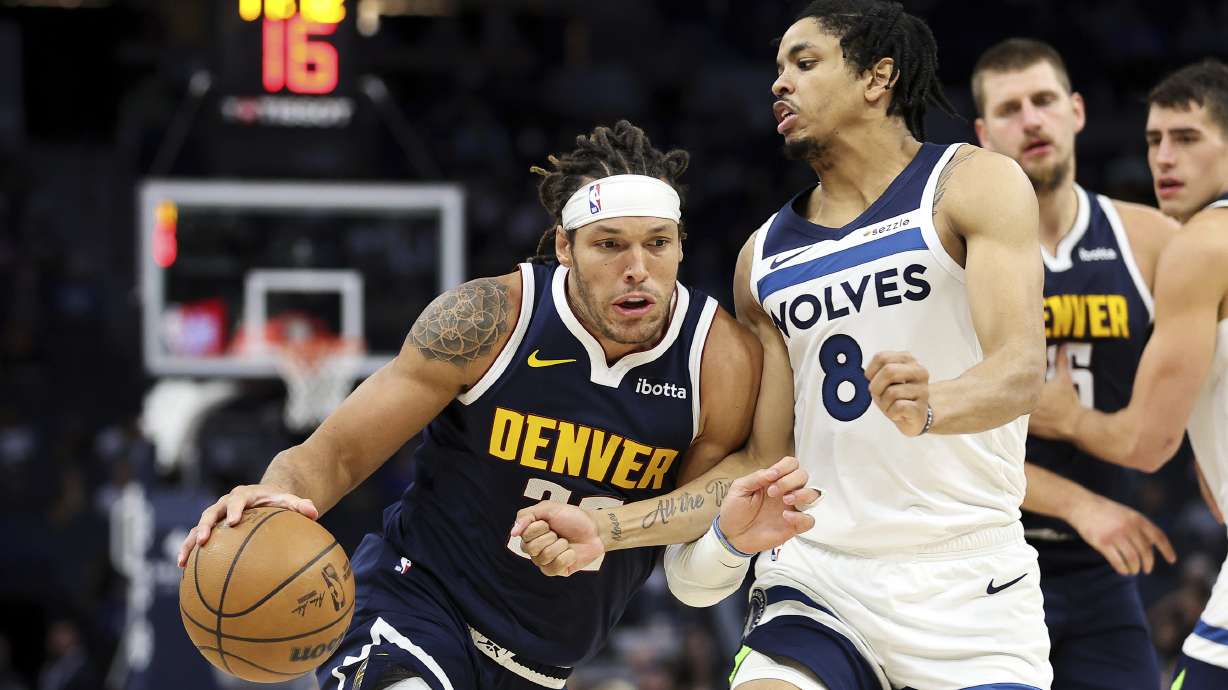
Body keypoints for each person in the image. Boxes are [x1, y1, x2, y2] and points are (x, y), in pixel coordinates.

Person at [175, 120, 818, 690]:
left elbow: (714, 496)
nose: (637, 268)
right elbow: (336, 452)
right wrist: (275, 491)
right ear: (564, 248)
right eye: (609, 244)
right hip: (417, 603)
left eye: (657, 243)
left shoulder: (718, 358)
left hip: (544, 661)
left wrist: (613, 530)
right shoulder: (491, 320)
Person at [518, 2, 1052, 688]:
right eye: (777, 69)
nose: (779, 84)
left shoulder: (971, 183)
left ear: (877, 78)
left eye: (804, 64)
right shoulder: (762, 257)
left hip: (970, 579)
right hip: (821, 576)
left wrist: (934, 404)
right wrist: (610, 529)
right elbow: (766, 458)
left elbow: (1020, 370)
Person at [970, 37, 1179, 689]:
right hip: (981, 560)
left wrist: (1079, 423)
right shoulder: (955, 260)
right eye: (1009, 109)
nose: (1030, 120)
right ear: (982, 135)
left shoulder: (1150, 242)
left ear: (1077, 111)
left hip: (1099, 570)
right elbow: (938, 437)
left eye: (1043, 100)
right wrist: (1081, 503)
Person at [1024, 58, 1228, 690]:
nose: (1164, 158)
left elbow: (1148, 445)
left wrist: (1068, 416)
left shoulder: (1201, 243)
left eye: (1188, 139)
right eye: (1154, 140)